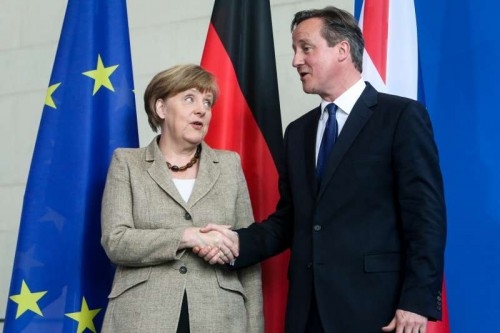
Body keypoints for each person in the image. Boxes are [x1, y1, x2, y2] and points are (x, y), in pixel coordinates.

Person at [195, 6, 446, 333]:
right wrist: (235, 243)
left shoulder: (400, 118)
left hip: (379, 310)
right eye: (295, 50)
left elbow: (425, 217)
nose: (295, 60)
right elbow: (289, 221)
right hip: (307, 310)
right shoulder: (298, 133)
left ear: (342, 50)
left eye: (306, 48)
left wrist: (417, 299)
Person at [100, 64, 263, 333]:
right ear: (161, 109)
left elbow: (248, 252)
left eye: (207, 102)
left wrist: (255, 327)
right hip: (142, 318)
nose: (202, 109)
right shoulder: (126, 163)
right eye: (190, 98)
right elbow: (116, 241)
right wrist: (187, 236)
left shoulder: (229, 165)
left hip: (221, 318)